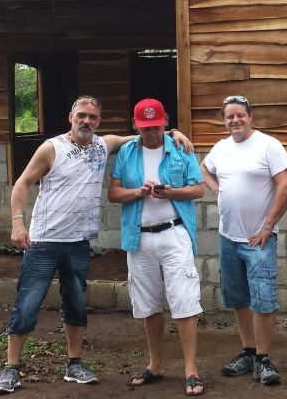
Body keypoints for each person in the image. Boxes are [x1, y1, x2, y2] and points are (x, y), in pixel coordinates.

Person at [0, 95, 191, 395]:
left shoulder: (103, 145)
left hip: (78, 243)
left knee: (75, 303)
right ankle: (11, 368)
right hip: (45, 241)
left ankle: (74, 363)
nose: (86, 121)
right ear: (70, 116)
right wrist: (17, 221)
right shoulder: (51, 148)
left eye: (93, 118)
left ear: (99, 121)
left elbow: (143, 132)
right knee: (28, 302)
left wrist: (175, 132)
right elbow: (22, 183)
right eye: (81, 115)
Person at [107, 98, 206, 397]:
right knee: (148, 302)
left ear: (165, 122)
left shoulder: (180, 147)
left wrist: (172, 192)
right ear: (136, 125)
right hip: (139, 237)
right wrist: (139, 192)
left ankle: (191, 369)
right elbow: (113, 193)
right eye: (145, 127)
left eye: (156, 126)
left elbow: (199, 188)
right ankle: (156, 364)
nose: (151, 133)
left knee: (185, 300)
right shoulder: (127, 151)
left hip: (175, 234)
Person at [200, 94, 287, 386]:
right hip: (228, 237)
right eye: (229, 116)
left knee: (263, 300)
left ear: (250, 116)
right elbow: (204, 168)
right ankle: (249, 352)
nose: (235, 120)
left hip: (258, 240)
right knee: (239, 298)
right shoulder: (221, 147)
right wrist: (216, 190)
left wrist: (269, 225)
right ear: (224, 119)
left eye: (240, 114)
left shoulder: (269, 145)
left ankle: (264, 359)